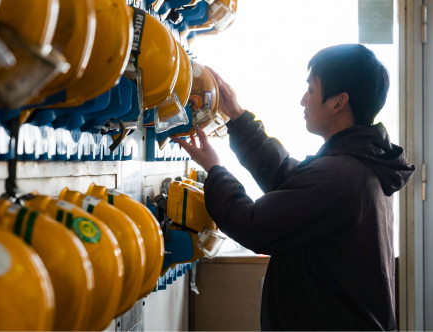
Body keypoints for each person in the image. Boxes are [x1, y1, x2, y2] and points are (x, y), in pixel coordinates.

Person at [172, 44, 415, 331]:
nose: (303, 100)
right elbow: (288, 178)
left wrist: (215, 170)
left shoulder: (340, 175)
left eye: (311, 90)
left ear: (338, 102)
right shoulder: (360, 165)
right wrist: (238, 118)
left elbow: (253, 225)